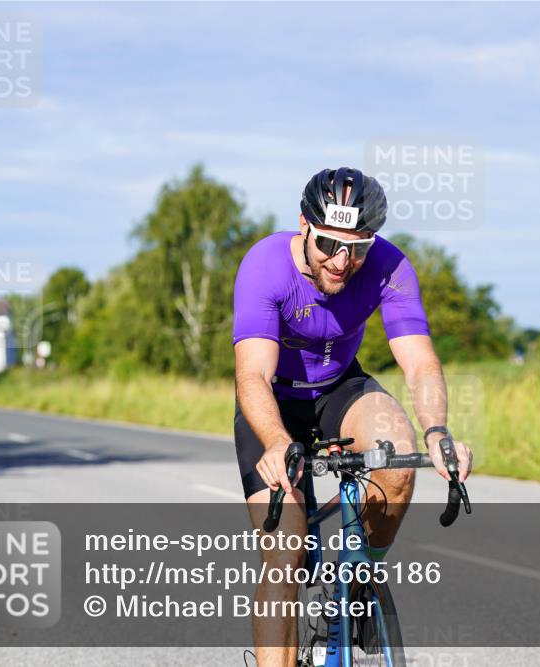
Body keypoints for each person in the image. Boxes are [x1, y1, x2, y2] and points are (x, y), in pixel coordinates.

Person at [232, 167, 473, 666]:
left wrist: (437, 431)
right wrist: (275, 441)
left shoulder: (389, 265)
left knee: (398, 459)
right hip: (275, 403)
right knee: (285, 555)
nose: (342, 262)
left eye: (358, 248)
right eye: (328, 245)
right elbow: (252, 375)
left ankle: (360, 576)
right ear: (304, 225)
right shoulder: (265, 266)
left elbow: (419, 362)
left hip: (340, 386)